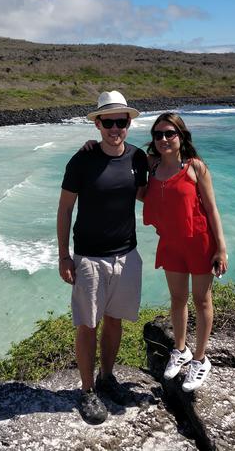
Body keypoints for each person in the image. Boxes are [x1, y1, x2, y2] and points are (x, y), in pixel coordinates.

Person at [57, 90, 148, 424]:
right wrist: (64, 256)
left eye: (120, 122)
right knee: (87, 325)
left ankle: (106, 377)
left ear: (128, 123)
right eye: (108, 122)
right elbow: (65, 208)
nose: (115, 128)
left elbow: (149, 193)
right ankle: (87, 390)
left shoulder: (138, 158)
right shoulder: (82, 160)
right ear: (97, 124)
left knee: (114, 320)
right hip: (89, 258)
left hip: (127, 255)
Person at [142, 112, 228, 392]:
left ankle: (201, 360)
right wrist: (92, 146)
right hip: (170, 242)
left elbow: (213, 209)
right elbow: (120, 156)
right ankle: (181, 350)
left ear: (181, 136)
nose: (164, 139)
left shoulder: (195, 167)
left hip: (200, 241)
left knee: (202, 300)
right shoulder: (151, 165)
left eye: (170, 134)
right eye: (158, 135)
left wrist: (221, 249)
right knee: (177, 299)